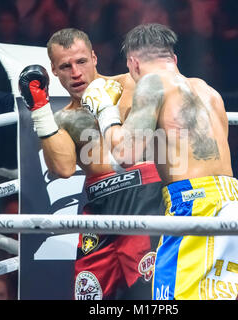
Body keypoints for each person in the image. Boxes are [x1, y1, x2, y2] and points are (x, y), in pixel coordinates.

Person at [85, 23, 238, 300]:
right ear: (173, 59)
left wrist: (105, 110)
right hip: (232, 201)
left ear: (133, 64)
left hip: (195, 203)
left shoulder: (151, 83)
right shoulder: (207, 90)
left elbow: (126, 154)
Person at [18, 28, 164, 300]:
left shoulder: (131, 85)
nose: (75, 72)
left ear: (95, 58)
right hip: (98, 207)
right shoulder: (61, 120)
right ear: (54, 71)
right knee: (90, 294)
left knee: (147, 295)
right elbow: (61, 169)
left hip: (142, 196)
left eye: (81, 61)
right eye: (65, 66)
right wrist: (40, 109)